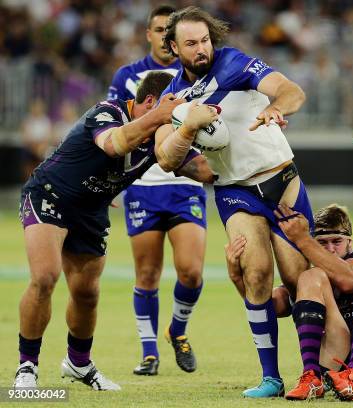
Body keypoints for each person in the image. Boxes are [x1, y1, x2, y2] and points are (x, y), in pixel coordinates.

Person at [14, 71, 218, 390]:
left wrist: (208, 132)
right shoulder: (108, 111)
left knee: (87, 293)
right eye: (176, 105)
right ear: (152, 102)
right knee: (45, 277)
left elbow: (201, 170)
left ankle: (79, 364)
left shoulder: (162, 134)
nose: (179, 113)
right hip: (50, 194)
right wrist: (164, 116)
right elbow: (114, 144)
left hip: (92, 210)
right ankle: (27, 368)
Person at [157, 6, 312, 397]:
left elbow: (292, 90)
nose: (201, 49)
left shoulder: (235, 63)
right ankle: (271, 377)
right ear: (174, 47)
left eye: (205, 40)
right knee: (256, 273)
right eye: (190, 43)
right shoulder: (173, 98)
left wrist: (277, 108)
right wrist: (188, 127)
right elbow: (166, 157)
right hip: (234, 191)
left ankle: (315, 370)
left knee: (300, 280)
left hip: (280, 179)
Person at [108, 4, 207, 377]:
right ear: (148, 35)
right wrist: (111, 182)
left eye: (172, 30)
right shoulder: (127, 75)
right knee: (147, 274)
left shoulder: (196, 73)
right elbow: (116, 126)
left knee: (192, 273)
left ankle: (176, 331)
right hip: (144, 186)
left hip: (184, 183)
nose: (166, 37)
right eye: (159, 30)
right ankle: (149, 353)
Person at [224, 203, 353, 401]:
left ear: (349, 242)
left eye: (336, 241)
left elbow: (348, 280)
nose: (330, 249)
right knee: (309, 277)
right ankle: (312, 377)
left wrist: (302, 239)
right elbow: (269, 307)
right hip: (337, 362)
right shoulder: (314, 277)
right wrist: (237, 276)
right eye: (322, 243)